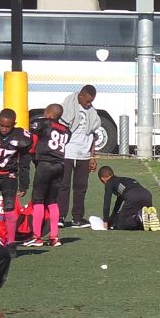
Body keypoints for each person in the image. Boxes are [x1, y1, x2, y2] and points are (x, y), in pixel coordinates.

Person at [26, 104, 69, 248]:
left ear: (49, 114)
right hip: (60, 165)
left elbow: (32, 136)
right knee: (53, 201)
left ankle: (36, 237)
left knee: (38, 200)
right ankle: (54, 237)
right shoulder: (66, 130)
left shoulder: (43, 123)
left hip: (45, 164)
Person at [62, 85, 104, 228]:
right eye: (87, 101)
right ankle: (60, 216)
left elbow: (92, 136)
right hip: (67, 152)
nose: (89, 104)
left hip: (84, 154)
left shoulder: (92, 112)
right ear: (80, 96)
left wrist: (92, 157)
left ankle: (77, 218)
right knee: (63, 185)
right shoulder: (68, 106)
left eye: (91, 101)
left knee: (81, 187)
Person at [0, 109, 33, 246]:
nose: (4, 129)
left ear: (14, 124)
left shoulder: (20, 136)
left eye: (8, 126)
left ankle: (10, 243)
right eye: (2, 125)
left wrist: (24, 184)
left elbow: (24, 163)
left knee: (10, 208)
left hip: (8, 175)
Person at [99, 166, 154, 230]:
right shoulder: (124, 180)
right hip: (147, 195)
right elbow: (119, 201)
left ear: (102, 179)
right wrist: (112, 216)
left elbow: (107, 203)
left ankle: (137, 218)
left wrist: (105, 222)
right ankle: (148, 219)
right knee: (129, 218)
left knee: (119, 224)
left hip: (133, 197)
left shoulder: (109, 183)